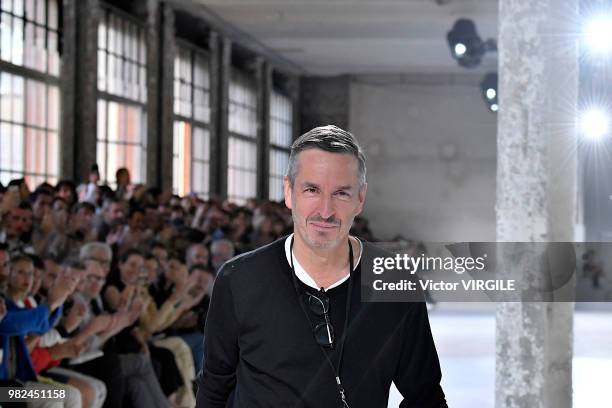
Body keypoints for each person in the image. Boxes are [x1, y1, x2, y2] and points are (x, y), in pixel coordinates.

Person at [196, 125, 447, 407]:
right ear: (289, 192)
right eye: (312, 190)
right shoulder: (239, 280)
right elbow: (214, 388)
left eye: (341, 193)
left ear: (360, 199)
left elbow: (424, 395)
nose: (325, 211)